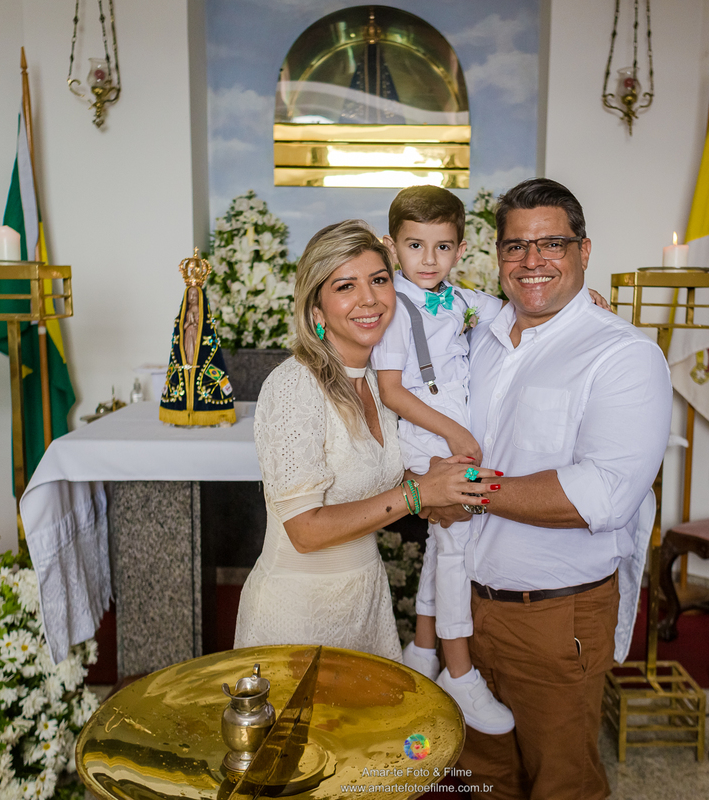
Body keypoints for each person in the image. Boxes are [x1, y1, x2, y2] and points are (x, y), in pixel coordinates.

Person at [422, 179, 672, 799]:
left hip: (556, 618)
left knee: (561, 782)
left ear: (585, 251)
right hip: (464, 609)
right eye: (515, 247)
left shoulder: (622, 355)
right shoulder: (473, 336)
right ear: (498, 256)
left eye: (552, 243)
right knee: (477, 779)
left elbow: (605, 494)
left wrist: (465, 487)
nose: (532, 261)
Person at [233, 219, 498, 659]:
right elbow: (305, 531)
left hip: (365, 605)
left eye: (378, 280)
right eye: (345, 287)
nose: (369, 299)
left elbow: (397, 487)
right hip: (296, 613)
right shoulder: (294, 385)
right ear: (316, 310)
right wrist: (418, 494)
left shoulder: (379, 385)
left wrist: (446, 488)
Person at [370, 186, 512, 734]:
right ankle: (459, 668)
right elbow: (392, 392)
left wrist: (585, 299)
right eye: (415, 246)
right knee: (459, 546)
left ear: (460, 248)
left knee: (444, 542)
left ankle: (423, 649)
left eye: (442, 247)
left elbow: (513, 311)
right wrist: (455, 432)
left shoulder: (459, 300)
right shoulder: (392, 308)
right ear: (392, 246)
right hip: (427, 434)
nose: (429, 261)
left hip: (454, 428)